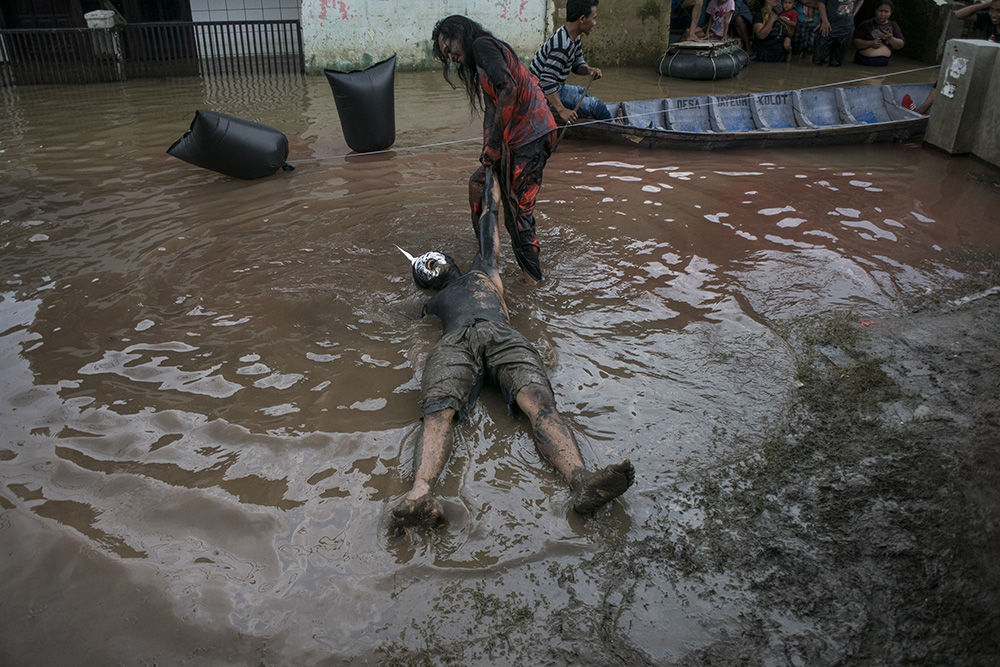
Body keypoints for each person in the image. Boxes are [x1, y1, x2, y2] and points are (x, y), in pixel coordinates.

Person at [391, 169, 636, 530]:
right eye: (425, 269)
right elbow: (401, 318)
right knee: (437, 411)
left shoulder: (483, 269)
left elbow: (490, 220)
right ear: (427, 285)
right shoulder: (433, 303)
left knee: (539, 402)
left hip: (499, 334)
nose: (431, 266)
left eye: (432, 260)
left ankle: (582, 482)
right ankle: (420, 494)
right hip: (455, 343)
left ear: (449, 261)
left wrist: (492, 174)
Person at [432, 15, 557, 285]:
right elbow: (492, 105)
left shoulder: (482, 46)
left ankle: (534, 284)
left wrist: (495, 143)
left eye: (448, 47)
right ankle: (486, 257)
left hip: (531, 136)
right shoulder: (482, 57)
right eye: (444, 54)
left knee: (518, 212)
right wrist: (489, 146)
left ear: (460, 33)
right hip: (517, 140)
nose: (450, 56)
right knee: (479, 184)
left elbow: (508, 89)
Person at [529, 0, 610, 125]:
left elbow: (576, 64)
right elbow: (546, 81)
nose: (595, 23)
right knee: (597, 107)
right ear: (582, 19)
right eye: (594, 18)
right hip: (539, 95)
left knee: (583, 92)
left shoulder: (573, 36)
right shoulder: (562, 45)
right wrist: (562, 110)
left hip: (555, 87)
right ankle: (618, 130)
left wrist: (589, 70)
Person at [852, 0, 904, 66]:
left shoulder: (893, 25)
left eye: (886, 12)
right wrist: (870, 43)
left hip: (883, 63)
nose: (883, 14)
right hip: (862, 61)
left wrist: (891, 39)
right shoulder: (866, 24)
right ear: (876, 11)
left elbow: (900, 45)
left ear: (891, 12)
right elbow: (855, 42)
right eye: (880, 11)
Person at [813, 0, 864, 66]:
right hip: (828, 27)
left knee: (837, 62)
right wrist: (824, 21)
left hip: (846, 29)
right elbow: (820, 2)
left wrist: (853, 14)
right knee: (819, 61)